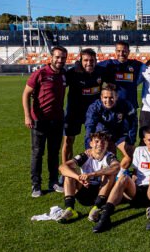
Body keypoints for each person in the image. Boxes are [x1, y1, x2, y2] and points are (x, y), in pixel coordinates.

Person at [92, 127, 150, 233]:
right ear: (144, 140)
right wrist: (128, 185)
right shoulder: (139, 150)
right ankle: (105, 218)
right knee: (123, 177)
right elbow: (135, 172)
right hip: (140, 191)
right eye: (149, 140)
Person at [22, 45, 68, 197]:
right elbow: (26, 94)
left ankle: (53, 181)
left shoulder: (64, 74)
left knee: (53, 153)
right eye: (57, 57)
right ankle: (36, 185)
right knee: (37, 153)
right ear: (51, 58)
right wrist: (27, 116)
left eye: (63, 58)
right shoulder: (40, 73)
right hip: (39, 120)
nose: (60, 60)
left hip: (57, 120)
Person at [57, 132, 120, 223]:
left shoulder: (109, 156)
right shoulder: (85, 156)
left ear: (107, 144)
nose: (100, 144)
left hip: (102, 193)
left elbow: (116, 167)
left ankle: (96, 208)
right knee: (69, 174)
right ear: (91, 144)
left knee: (109, 173)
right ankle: (70, 209)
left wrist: (91, 174)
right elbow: (62, 167)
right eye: (97, 141)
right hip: (84, 191)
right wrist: (79, 178)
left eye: (103, 142)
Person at [62, 48, 105, 163]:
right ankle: (66, 168)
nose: (89, 63)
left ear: (96, 61)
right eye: (86, 60)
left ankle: (93, 166)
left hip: (93, 113)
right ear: (81, 60)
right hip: (74, 112)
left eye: (92, 60)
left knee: (95, 141)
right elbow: (58, 85)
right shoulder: (72, 73)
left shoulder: (101, 71)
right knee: (68, 141)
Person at [84, 84, 137, 170]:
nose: (108, 100)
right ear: (101, 97)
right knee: (110, 158)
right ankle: (106, 174)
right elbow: (90, 126)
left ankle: (118, 174)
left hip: (119, 133)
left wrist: (131, 141)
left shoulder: (125, 104)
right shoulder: (94, 107)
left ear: (116, 97)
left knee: (130, 153)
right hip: (102, 134)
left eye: (111, 97)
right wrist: (89, 146)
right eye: (105, 97)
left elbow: (133, 122)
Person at [100, 41, 144, 111]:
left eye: (124, 51)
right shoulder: (109, 64)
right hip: (114, 106)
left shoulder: (136, 64)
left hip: (131, 105)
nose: (121, 54)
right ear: (115, 52)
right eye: (118, 51)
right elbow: (92, 67)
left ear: (129, 52)